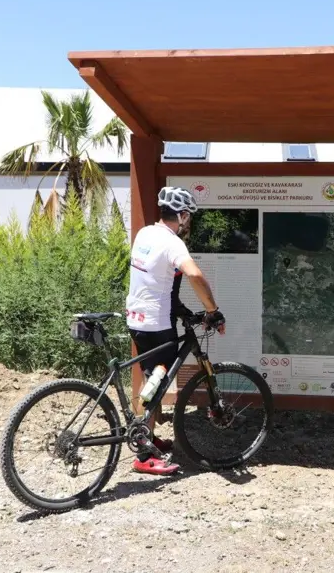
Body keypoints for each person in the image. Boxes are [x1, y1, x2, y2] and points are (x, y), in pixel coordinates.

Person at [126, 186, 226, 475]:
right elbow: (193, 274)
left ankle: (147, 435)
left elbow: (156, 281)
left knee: (151, 379)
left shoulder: (145, 233)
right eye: (189, 217)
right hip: (157, 324)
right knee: (156, 385)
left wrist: (181, 310)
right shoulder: (172, 243)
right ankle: (144, 455)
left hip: (137, 319)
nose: (189, 222)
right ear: (181, 216)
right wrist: (212, 310)